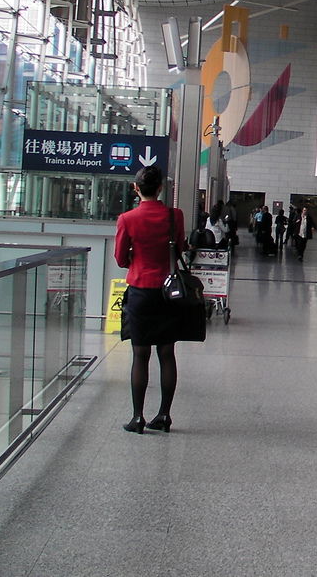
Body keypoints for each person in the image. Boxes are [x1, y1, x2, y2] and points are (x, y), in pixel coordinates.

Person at [113, 165, 184, 434]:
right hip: (168, 292)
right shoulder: (174, 216)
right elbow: (180, 249)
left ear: (136, 188)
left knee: (140, 354)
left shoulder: (127, 219)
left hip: (140, 291)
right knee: (167, 353)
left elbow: (121, 259)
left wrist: (135, 257)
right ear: (160, 188)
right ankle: (164, 415)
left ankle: (138, 417)